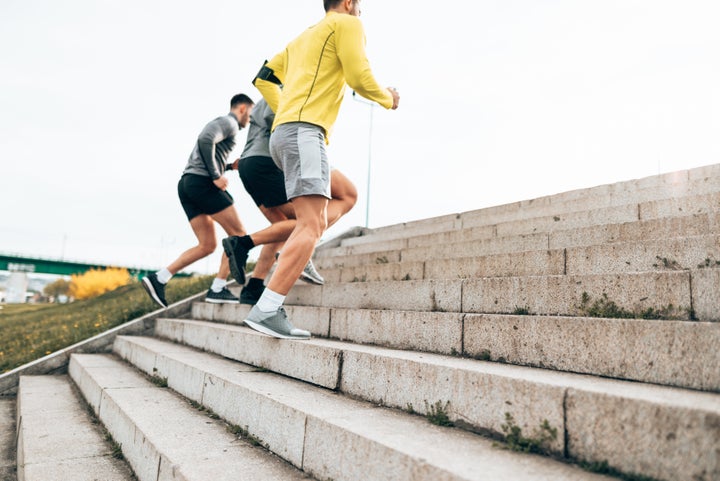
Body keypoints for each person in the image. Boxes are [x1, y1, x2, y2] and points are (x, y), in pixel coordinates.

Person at [226, 0, 399, 339]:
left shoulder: (302, 38)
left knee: (315, 221)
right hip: (305, 132)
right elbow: (360, 77)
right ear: (348, 3)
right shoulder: (347, 24)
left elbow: (262, 79)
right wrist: (387, 98)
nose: (361, 12)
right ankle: (267, 308)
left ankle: (270, 302)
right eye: (360, 6)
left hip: (287, 133)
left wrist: (287, 109)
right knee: (310, 225)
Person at [223, 98, 359, 305]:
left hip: (251, 164)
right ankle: (245, 244)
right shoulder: (286, 86)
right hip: (275, 158)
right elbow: (279, 119)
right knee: (343, 198)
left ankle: (254, 287)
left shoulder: (265, 95)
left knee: (283, 227)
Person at [141, 94, 254, 308]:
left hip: (188, 184)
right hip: (203, 183)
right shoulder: (228, 122)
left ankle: (160, 278)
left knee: (207, 245)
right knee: (239, 235)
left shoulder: (225, 125)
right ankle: (218, 288)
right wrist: (215, 176)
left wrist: (228, 167)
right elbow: (205, 139)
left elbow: (207, 151)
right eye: (250, 112)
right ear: (241, 108)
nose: (251, 118)